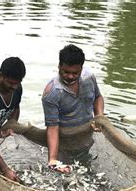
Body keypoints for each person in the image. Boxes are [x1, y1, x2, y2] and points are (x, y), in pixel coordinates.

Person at [42, 44, 104, 173]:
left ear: (82, 68)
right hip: (64, 144)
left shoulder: (89, 78)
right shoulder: (52, 92)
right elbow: (52, 127)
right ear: (59, 67)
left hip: (86, 138)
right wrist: (52, 159)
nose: (70, 76)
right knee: (65, 177)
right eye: (66, 72)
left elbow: (98, 97)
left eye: (75, 73)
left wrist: (99, 117)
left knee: (86, 170)